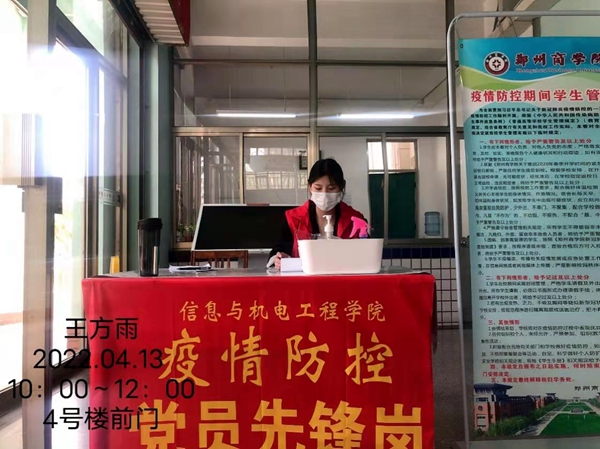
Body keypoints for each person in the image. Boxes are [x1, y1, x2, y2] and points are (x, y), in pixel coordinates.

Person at [268, 158, 367, 270]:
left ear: (342, 187)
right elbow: (278, 252)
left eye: (331, 188)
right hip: (304, 280)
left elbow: (368, 256)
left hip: (344, 278)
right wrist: (279, 259)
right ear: (309, 187)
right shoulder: (294, 219)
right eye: (318, 188)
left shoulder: (355, 221)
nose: (324, 194)